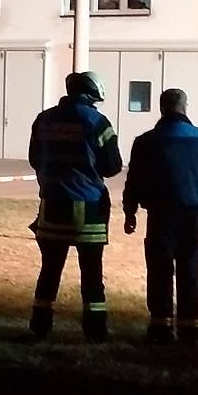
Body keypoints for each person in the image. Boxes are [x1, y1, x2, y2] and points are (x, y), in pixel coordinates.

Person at [122, 87, 198, 345]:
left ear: (161, 108)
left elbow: (134, 179)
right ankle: (191, 328)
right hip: (194, 213)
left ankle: (160, 326)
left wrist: (130, 211)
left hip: (160, 212)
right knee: (192, 268)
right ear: (185, 107)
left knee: (160, 267)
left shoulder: (146, 141)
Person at [27, 70, 123, 342]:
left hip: (51, 204)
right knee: (91, 273)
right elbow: (113, 165)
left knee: (49, 271)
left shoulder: (44, 119)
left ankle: (40, 327)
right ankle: (95, 331)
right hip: (87, 207)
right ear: (93, 92)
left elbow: (34, 159)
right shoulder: (97, 122)